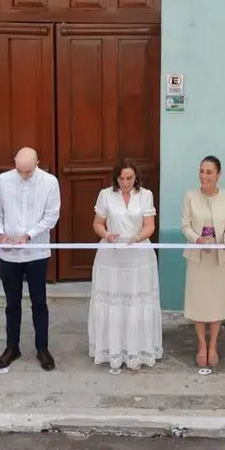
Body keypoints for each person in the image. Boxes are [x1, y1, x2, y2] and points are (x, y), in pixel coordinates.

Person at [0, 147, 61, 372]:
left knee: (39, 303)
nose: (24, 175)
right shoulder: (3, 180)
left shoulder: (50, 182)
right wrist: (0, 234)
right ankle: (12, 347)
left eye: (28, 171)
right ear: (15, 164)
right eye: (20, 171)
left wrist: (29, 235)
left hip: (36, 252)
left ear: (38, 162)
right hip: (8, 254)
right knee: (12, 303)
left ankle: (42, 348)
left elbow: (52, 215)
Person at [89, 160, 163, 373]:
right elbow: (97, 223)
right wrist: (106, 234)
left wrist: (137, 238)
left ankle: (137, 350)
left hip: (138, 257)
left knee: (136, 302)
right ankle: (111, 350)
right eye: (121, 178)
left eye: (129, 178)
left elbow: (150, 226)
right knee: (112, 301)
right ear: (116, 179)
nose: (125, 182)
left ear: (136, 177)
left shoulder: (146, 195)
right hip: (110, 257)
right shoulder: (105, 194)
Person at [181, 155, 225, 369]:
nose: (204, 176)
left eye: (209, 172)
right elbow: (185, 225)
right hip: (197, 257)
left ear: (218, 175)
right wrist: (197, 239)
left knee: (216, 302)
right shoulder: (190, 196)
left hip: (219, 258)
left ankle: (213, 344)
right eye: (201, 171)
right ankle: (201, 344)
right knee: (199, 301)